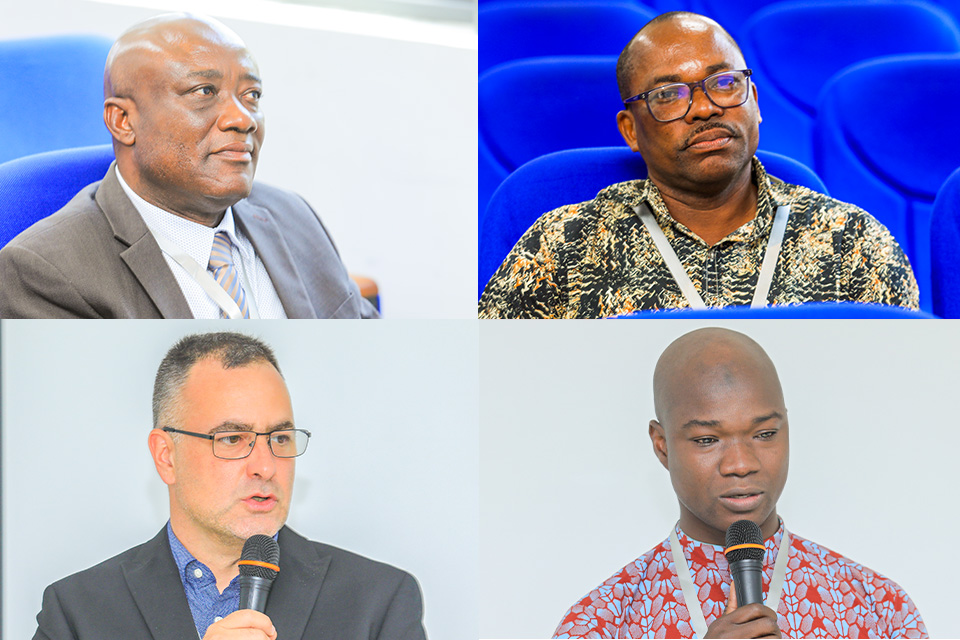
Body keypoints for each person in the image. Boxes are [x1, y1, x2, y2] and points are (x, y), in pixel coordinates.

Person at [478, 12, 918, 318]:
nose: (705, 108)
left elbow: (908, 399)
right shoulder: (563, 247)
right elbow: (488, 391)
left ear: (755, 102)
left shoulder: (854, 243)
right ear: (631, 131)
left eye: (724, 83)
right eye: (669, 95)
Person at [33, 332, 425, 639]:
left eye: (280, 438)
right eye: (233, 439)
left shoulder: (378, 600)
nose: (265, 467)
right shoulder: (76, 611)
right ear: (166, 456)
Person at [553, 327, 926, 638]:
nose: (741, 464)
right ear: (662, 445)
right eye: (707, 440)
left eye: (764, 434)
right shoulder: (599, 623)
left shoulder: (881, 609)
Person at [0, 14, 377, 319]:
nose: (243, 119)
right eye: (204, 92)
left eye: (251, 95)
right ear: (123, 121)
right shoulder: (46, 274)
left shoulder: (294, 215)